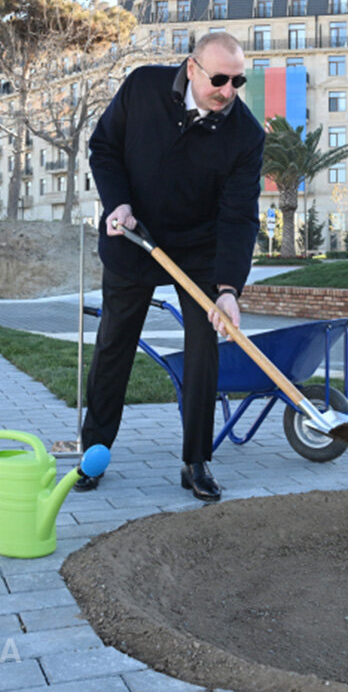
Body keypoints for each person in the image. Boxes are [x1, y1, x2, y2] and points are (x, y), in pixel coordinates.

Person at [77, 31, 264, 502]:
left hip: (198, 251)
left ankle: (196, 460)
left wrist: (227, 289)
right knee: (114, 345)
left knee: (204, 348)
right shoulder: (142, 87)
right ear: (192, 68)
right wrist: (116, 203)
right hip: (133, 235)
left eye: (238, 81)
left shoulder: (245, 134)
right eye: (219, 79)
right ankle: (93, 450)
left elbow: (239, 216)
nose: (228, 91)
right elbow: (104, 148)